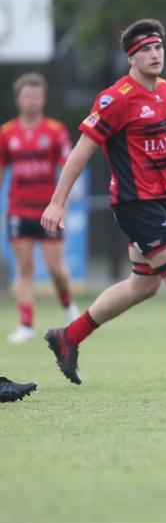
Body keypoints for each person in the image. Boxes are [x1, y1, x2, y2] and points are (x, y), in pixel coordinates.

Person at [39, 19, 166, 389]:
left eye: (158, 47)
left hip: (165, 200)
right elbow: (81, 152)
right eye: (145, 50)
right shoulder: (115, 98)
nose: (155, 54)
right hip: (137, 204)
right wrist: (58, 202)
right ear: (131, 58)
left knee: (144, 285)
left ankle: (68, 337)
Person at [1, 73, 78, 343]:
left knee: (55, 268)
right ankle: (26, 325)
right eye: (27, 96)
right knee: (24, 268)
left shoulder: (55, 131)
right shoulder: (7, 133)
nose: (32, 101)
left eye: (36, 96)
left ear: (42, 99)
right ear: (18, 99)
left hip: (48, 210)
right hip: (18, 209)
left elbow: (68, 165)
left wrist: (64, 201)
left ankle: (70, 308)